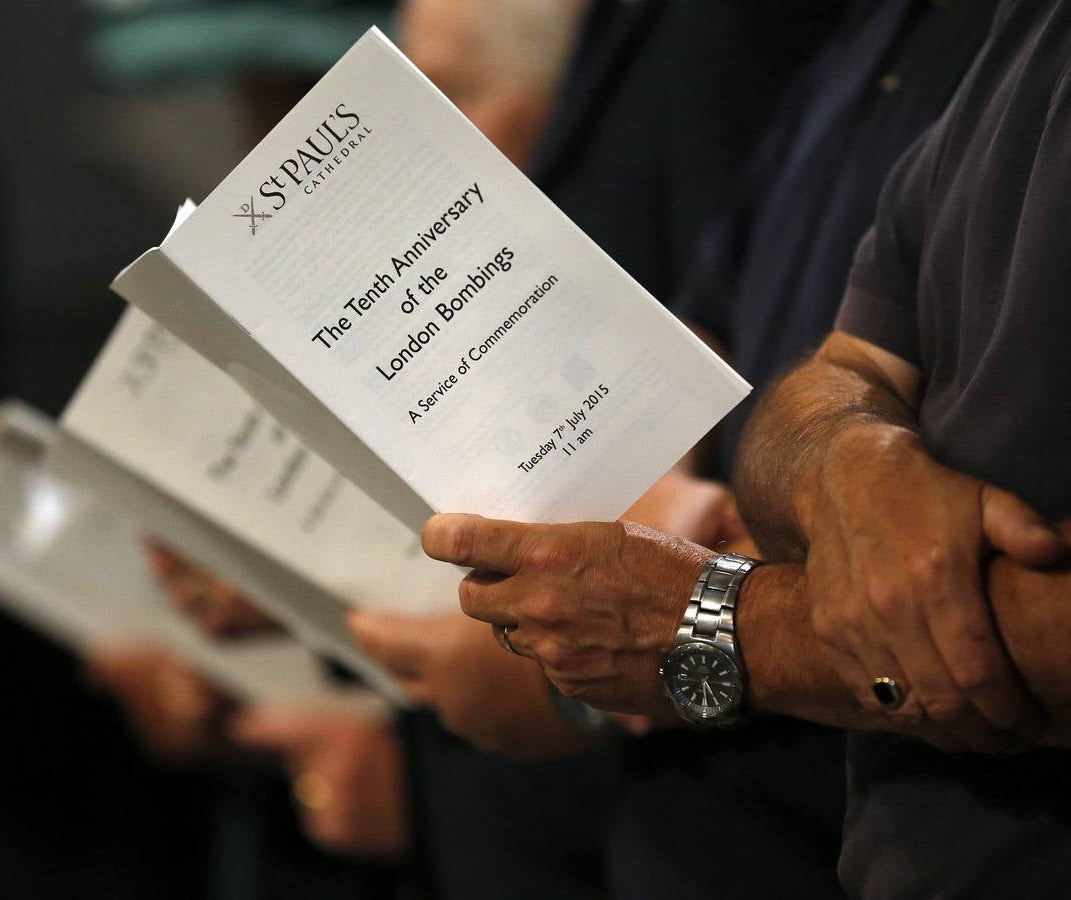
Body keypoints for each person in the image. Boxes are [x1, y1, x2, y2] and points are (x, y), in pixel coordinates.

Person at [422, 1, 1071, 894]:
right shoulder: (986, 33)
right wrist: (846, 455)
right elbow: (820, 375)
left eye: (455, 95)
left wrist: (716, 622)